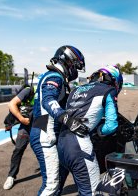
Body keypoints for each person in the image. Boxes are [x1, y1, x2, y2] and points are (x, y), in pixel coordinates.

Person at [30, 45, 88, 195]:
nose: (75, 70)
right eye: (75, 66)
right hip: (45, 132)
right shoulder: (54, 77)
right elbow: (48, 101)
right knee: (51, 185)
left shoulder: (51, 75)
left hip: (42, 127)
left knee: (58, 178)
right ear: (68, 61)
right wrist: (68, 120)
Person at [57, 65, 123, 195]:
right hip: (79, 145)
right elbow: (111, 125)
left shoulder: (76, 89)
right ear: (114, 80)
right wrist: (99, 130)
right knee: (92, 192)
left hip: (62, 142)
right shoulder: (109, 90)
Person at [3, 85, 36, 190]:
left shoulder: (54, 89)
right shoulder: (29, 90)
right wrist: (21, 119)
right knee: (18, 150)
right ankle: (11, 176)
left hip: (41, 123)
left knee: (46, 150)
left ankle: (51, 176)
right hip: (26, 124)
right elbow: (11, 104)